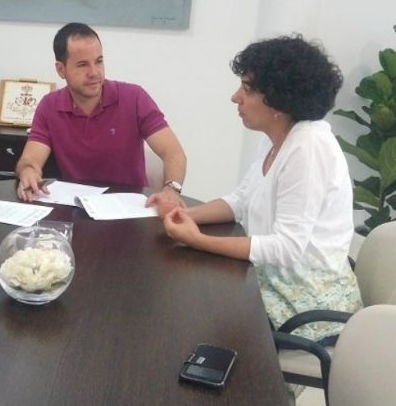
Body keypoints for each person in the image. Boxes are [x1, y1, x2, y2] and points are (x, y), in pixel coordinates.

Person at [154, 35, 363, 343]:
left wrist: (197, 240)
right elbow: (242, 200)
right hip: (274, 277)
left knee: (194, 316)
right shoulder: (278, 135)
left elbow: (286, 248)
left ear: (279, 100)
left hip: (305, 298)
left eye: (247, 89)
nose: (235, 97)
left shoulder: (308, 147)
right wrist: (182, 213)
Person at [15, 22, 187, 204]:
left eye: (99, 61)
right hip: (74, 208)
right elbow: (30, 159)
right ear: (61, 69)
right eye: (83, 65)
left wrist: (171, 189)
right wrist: (28, 171)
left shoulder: (134, 97)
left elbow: (173, 152)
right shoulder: (49, 106)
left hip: (128, 210)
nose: (94, 73)